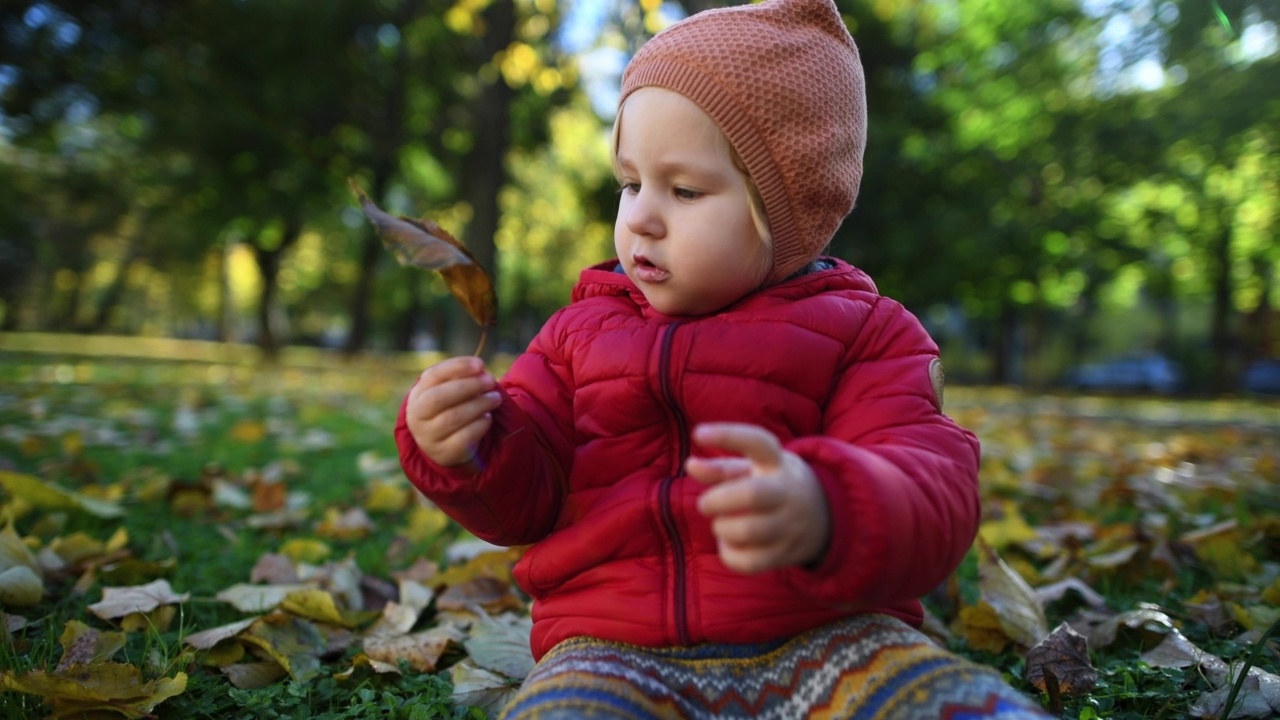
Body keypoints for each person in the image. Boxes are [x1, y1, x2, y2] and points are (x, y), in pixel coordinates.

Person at [396, 0, 1054, 717]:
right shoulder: (575, 337)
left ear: (788, 209)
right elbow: (527, 500)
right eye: (630, 183)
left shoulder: (868, 336)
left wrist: (830, 508)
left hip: (835, 637)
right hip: (612, 647)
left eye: (683, 190)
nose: (642, 215)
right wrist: (465, 448)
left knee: (952, 703)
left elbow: (934, 492)